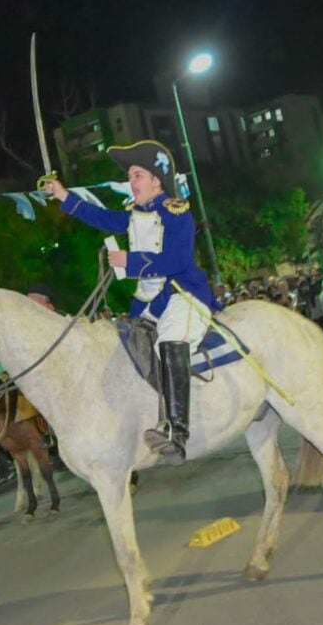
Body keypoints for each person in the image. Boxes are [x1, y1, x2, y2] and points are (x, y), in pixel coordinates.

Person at [43, 139, 218, 462]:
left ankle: (177, 430)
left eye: (137, 175)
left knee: (170, 341)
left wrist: (129, 261)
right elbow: (102, 218)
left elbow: (177, 260)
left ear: (157, 180)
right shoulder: (134, 213)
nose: (131, 182)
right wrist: (64, 195)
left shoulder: (177, 214)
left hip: (182, 294)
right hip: (148, 302)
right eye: (130, 176)